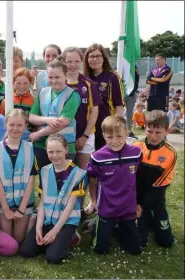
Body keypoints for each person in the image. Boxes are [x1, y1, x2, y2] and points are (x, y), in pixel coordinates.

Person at [20, 134, 87, 263]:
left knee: (52, 258)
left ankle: (70, 236)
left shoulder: (78, 174)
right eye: (51, 151)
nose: (54, 155)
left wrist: (55, 232)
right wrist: (38, 226)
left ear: (66, 150)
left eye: (58, 151)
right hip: (47, 220)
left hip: (66, 222)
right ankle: (54, 241)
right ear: (46, 151)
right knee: (26, 251)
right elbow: (42, 203)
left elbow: (70, 207)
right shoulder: (44, 171)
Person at [86, 115, 142, 255]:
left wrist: (138, 203)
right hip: (107, 208)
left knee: (135, 250)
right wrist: (93, 201)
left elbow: (138, 179)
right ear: (104, 135)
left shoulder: (136, 153)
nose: (115, 141)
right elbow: (92, 181)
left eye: (119, 136)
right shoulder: (97, 157)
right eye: (110, 137)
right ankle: (95, 225)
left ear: (127, 133)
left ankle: (118, 228)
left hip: (128, 208)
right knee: (101, 250)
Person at [0, 109, 38, 243]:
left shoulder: (30, 148)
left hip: (24, 203)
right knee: (10, 242)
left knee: (19, 240)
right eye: (12, 125)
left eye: (19, 125)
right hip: (4, 204)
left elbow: (31, 180)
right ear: (6, 125)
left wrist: (22, 210)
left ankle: (33, 217)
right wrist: (5, 209)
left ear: (25, 126)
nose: (15, 129)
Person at [133, 110, 177, 248]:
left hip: (155, 196)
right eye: (149, 131)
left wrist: (141, 205)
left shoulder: (170, 153)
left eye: (158, 132)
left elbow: (161, 185)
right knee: (139, 242)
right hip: (135, 195)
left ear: (166, 131)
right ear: (144, 128)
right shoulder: (136, 147)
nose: (153, 136)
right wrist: (134, 202)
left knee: (166, 241)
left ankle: (150, 219)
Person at [29, 58, 81, 169]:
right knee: (41, 182)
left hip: (64, 147)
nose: (53, 80)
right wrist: (46, 119)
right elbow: (32, 117)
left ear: (66, 75)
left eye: (57, 77)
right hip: (41, 146)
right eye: (50, 77)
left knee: (63, 182)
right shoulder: (42, 92)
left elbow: (62, 123)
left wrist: (38, 134)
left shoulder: (72, 96)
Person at [62, 47, 100, 171]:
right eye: (69, 61)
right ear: (64, 62)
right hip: (63, 136)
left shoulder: (88, 84)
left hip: (85, 135)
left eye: (77, 61)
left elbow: (94, 113)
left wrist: (85, 136)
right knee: (63, 175)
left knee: (82, 175)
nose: (73, 65)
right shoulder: (58, 83)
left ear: (81, 61)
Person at [83, 43, 124, 151]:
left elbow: (119, 106)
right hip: (87, 129)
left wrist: (114, 128)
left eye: (98, 56)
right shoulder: (83, 78)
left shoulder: (113, 77)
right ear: (87, 59)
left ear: (104, 58)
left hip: (106, 128)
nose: (95, 59)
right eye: (91, 56)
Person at [126, 65, 141, 140]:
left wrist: (133, 90)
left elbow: (137, 78)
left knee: (129, 114)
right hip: (119, 94)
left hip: (130, 94)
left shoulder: (133, 66)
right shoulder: (119, 64)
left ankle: (128, 132)